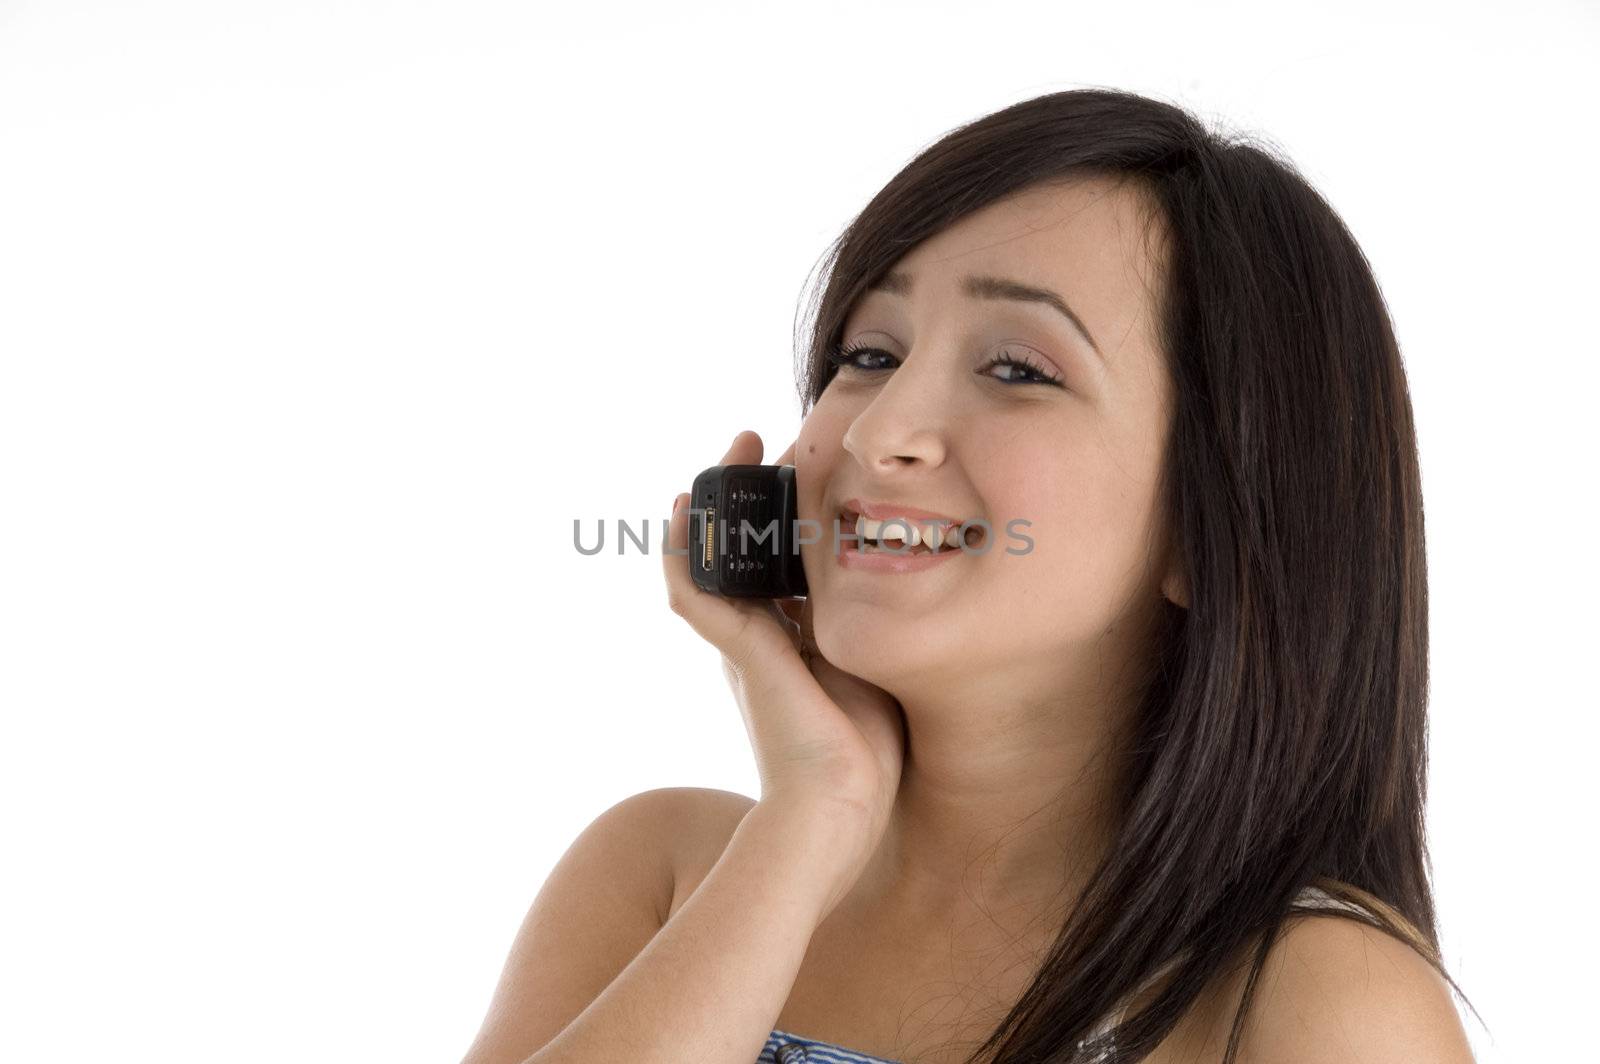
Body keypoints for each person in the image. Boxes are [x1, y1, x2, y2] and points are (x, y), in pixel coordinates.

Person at [460, 87, 1481, 1064]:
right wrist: (809, 817)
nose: (878, 427)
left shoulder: (1316, 1001)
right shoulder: (664, 874)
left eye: (1016, 369)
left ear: (1208, 527)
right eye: (867, 353)